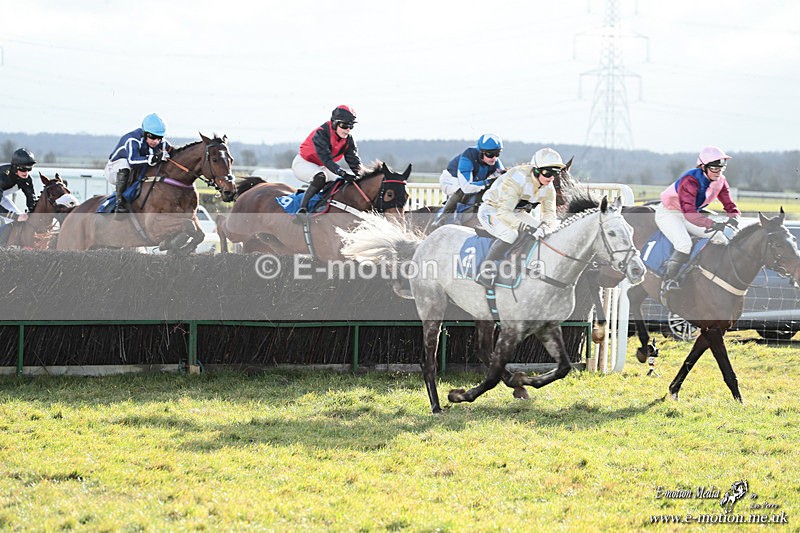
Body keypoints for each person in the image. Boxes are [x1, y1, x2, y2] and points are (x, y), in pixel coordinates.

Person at [655, 146, 740, 292]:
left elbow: (728, 203)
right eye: (714, 168)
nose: (718, 172)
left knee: (720, 238)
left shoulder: (721, 180)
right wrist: (711, 223)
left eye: (722, 168)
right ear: (702, 167)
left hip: (690, 214)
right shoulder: (690, 180)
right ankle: (668, 281)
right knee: (684, 244)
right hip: (669, 213)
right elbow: (690, 214)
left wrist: (734, 216)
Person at [474, 147, 563, 287]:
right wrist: (527, 228)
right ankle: (485, 271)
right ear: (537, 170)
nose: (551, 178)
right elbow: (504, 213)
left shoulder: (549, 187)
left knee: (547, 233)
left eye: (555, 174)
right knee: (510, 234)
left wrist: (546, 225)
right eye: (548, 173)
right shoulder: (517, 178)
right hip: (492, 210)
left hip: (517, 212)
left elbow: (549, 213)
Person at [291, 105, 362, 223]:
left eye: (351, 126)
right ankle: (302, 210)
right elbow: (327, 159)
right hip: (303, 163)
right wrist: (342, 172)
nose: (347, 129)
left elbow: (354, 161)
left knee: (341, 183)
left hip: (322, 166)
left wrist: (362, 175)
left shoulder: (348, 139)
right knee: (320, 177)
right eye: (344, 125)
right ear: (334, 123)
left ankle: (325, 208)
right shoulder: (321, 133)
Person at [431, 133, 505, 229]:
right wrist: (487, 183)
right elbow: (466, 187)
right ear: (481, 152)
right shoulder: (468, 156)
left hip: (469, 182)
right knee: (462, 189)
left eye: (497, 153)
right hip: (451, 180)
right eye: (490, 154)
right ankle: (441, 219)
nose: (494, 158)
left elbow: (503, 179)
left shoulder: (494, 161)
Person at [104, 113, 172, 217]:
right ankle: (120, 203)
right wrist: (152, 158)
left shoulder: (161, 143)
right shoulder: (132, 139)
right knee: (125, 163)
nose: (156, 141)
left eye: (159, 138)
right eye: (153, 137)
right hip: (114, 169)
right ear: (145, 133)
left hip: (136, 172)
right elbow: (132, 161)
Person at [0, 148, 38, 227]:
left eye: (29, 168)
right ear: (15, 167)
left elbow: (31, 200)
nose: (26, 172)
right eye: (23, 169)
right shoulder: (2, 177)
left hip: (2, 195)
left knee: (19, 219)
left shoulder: (27, 179)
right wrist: (15, 217)